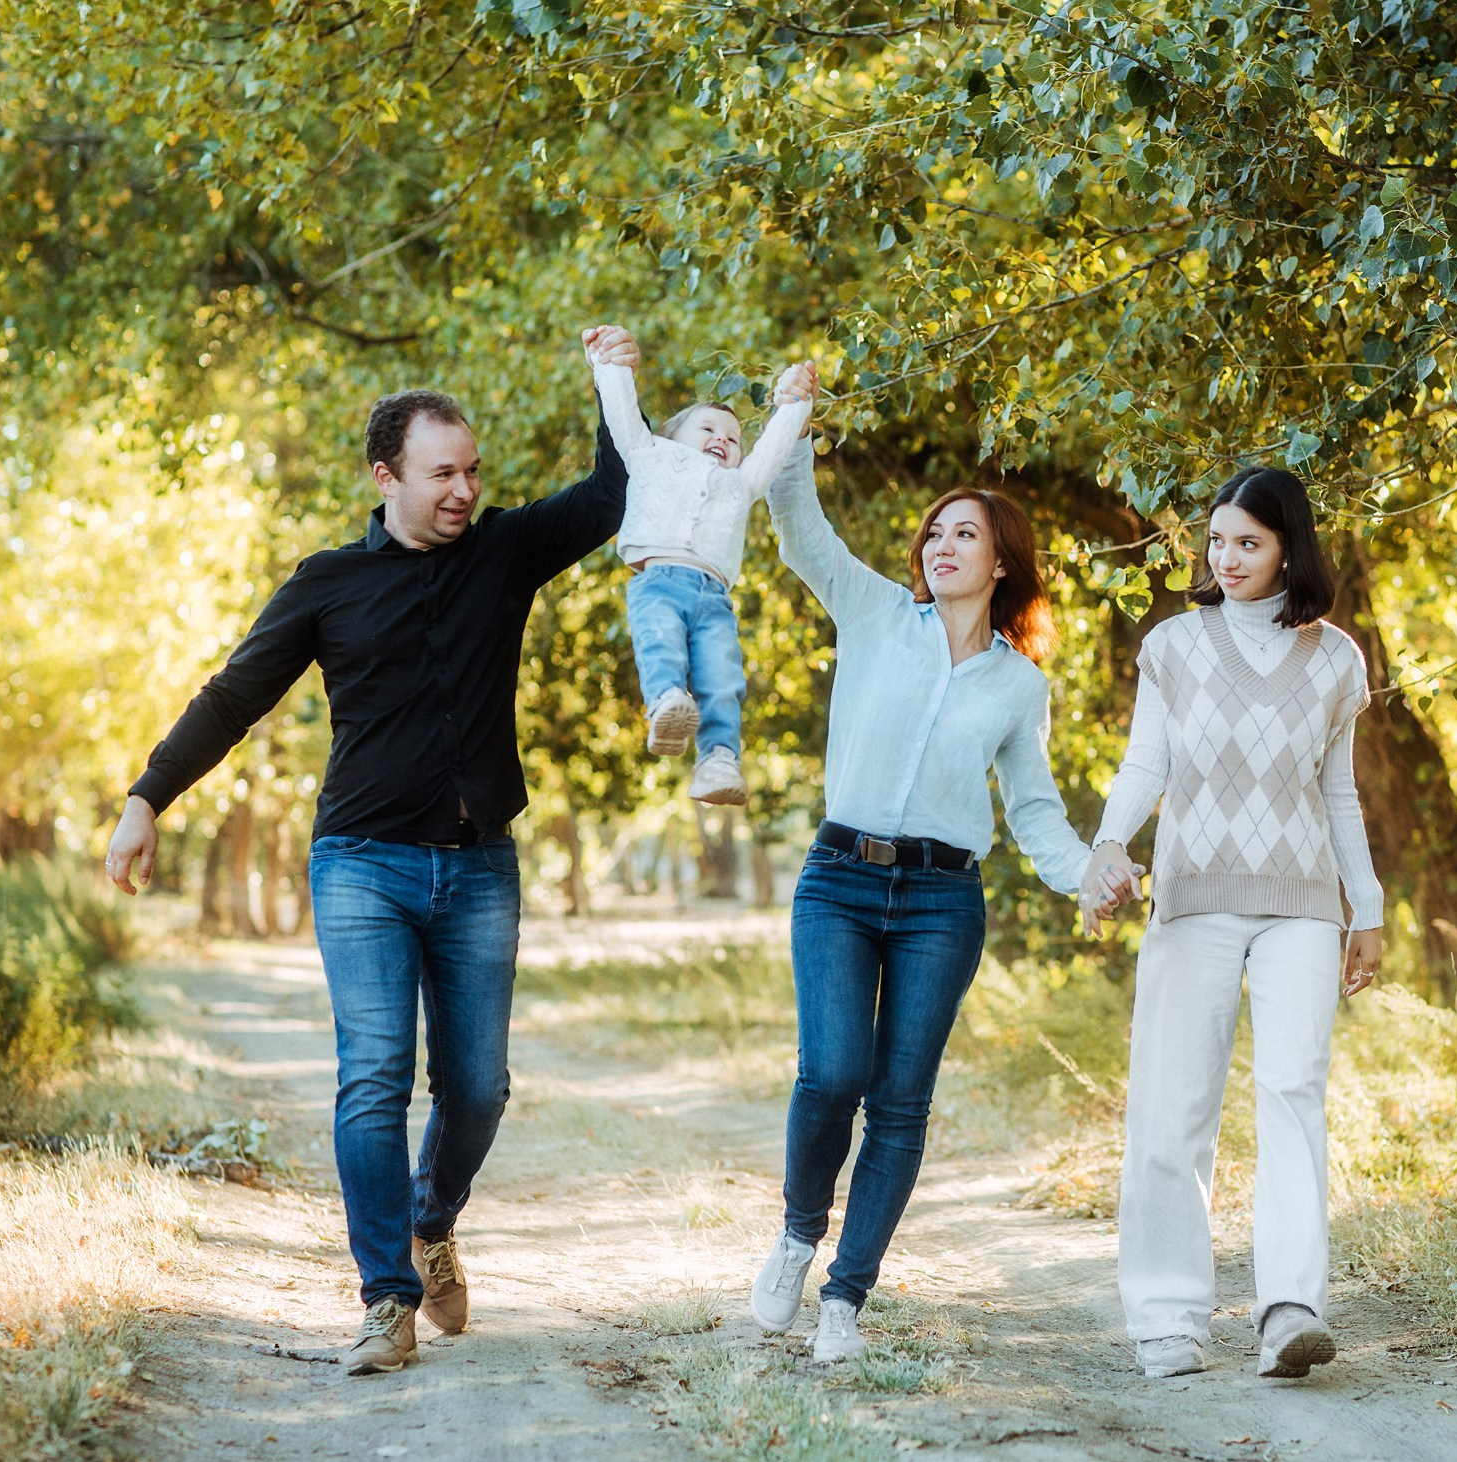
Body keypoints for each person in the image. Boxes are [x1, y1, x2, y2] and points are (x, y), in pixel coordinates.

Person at [101, 327, 639, 1376]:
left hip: (479, 865)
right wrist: (146, 797)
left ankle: (430, 1222)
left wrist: (611, 378)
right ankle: (383, 1303)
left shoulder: (505, 552)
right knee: (373, 1080)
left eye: (473, 471)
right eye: (444, 473)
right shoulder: (327, 584)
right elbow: (232, 698)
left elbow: (611, 495)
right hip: (361, 865)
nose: (464, 490)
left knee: (477, 1086)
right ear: (385, 475)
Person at [747, 366, 1091, 1363]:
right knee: (833, 1074)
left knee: (900, 1100)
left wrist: (1091, 875)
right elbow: (799, 521)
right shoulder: (868, 614)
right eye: (933, 534)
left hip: (944, 900)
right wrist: (794, 414)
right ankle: (796, 1237)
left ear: (1000, 564)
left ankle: (846, 1298)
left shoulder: (1018, 687)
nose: (942, 546)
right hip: (841, 881)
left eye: (964, 535)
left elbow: (1034, 816)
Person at [1082, 465, 1386, 1382]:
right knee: (1173, 1107)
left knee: (1295, 1094)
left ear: (1289, 545)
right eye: (1216, 541)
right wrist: (1105, 842)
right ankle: (1168, 1316)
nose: (1227, 557)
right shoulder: (1174, 646)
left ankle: (1289, 1308)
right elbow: (1145, 765)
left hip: (1301, 904)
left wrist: (1363, 908)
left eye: (1247, 541)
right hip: (1191, 898)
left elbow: (1339, 791)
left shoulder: (1337, 659)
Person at [589, 341, 815, 805]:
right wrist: (608, 364)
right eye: (709, 428)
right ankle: (667, 701)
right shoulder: (650, 454)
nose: (724, 439)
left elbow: (773, 447)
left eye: (734, 438)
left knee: (722, 677)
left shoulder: (742, 482)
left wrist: (796, 402)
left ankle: (719, 760)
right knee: (660, 641)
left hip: (714, 597)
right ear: (673, 436)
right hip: (659, 582)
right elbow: (622, 414)